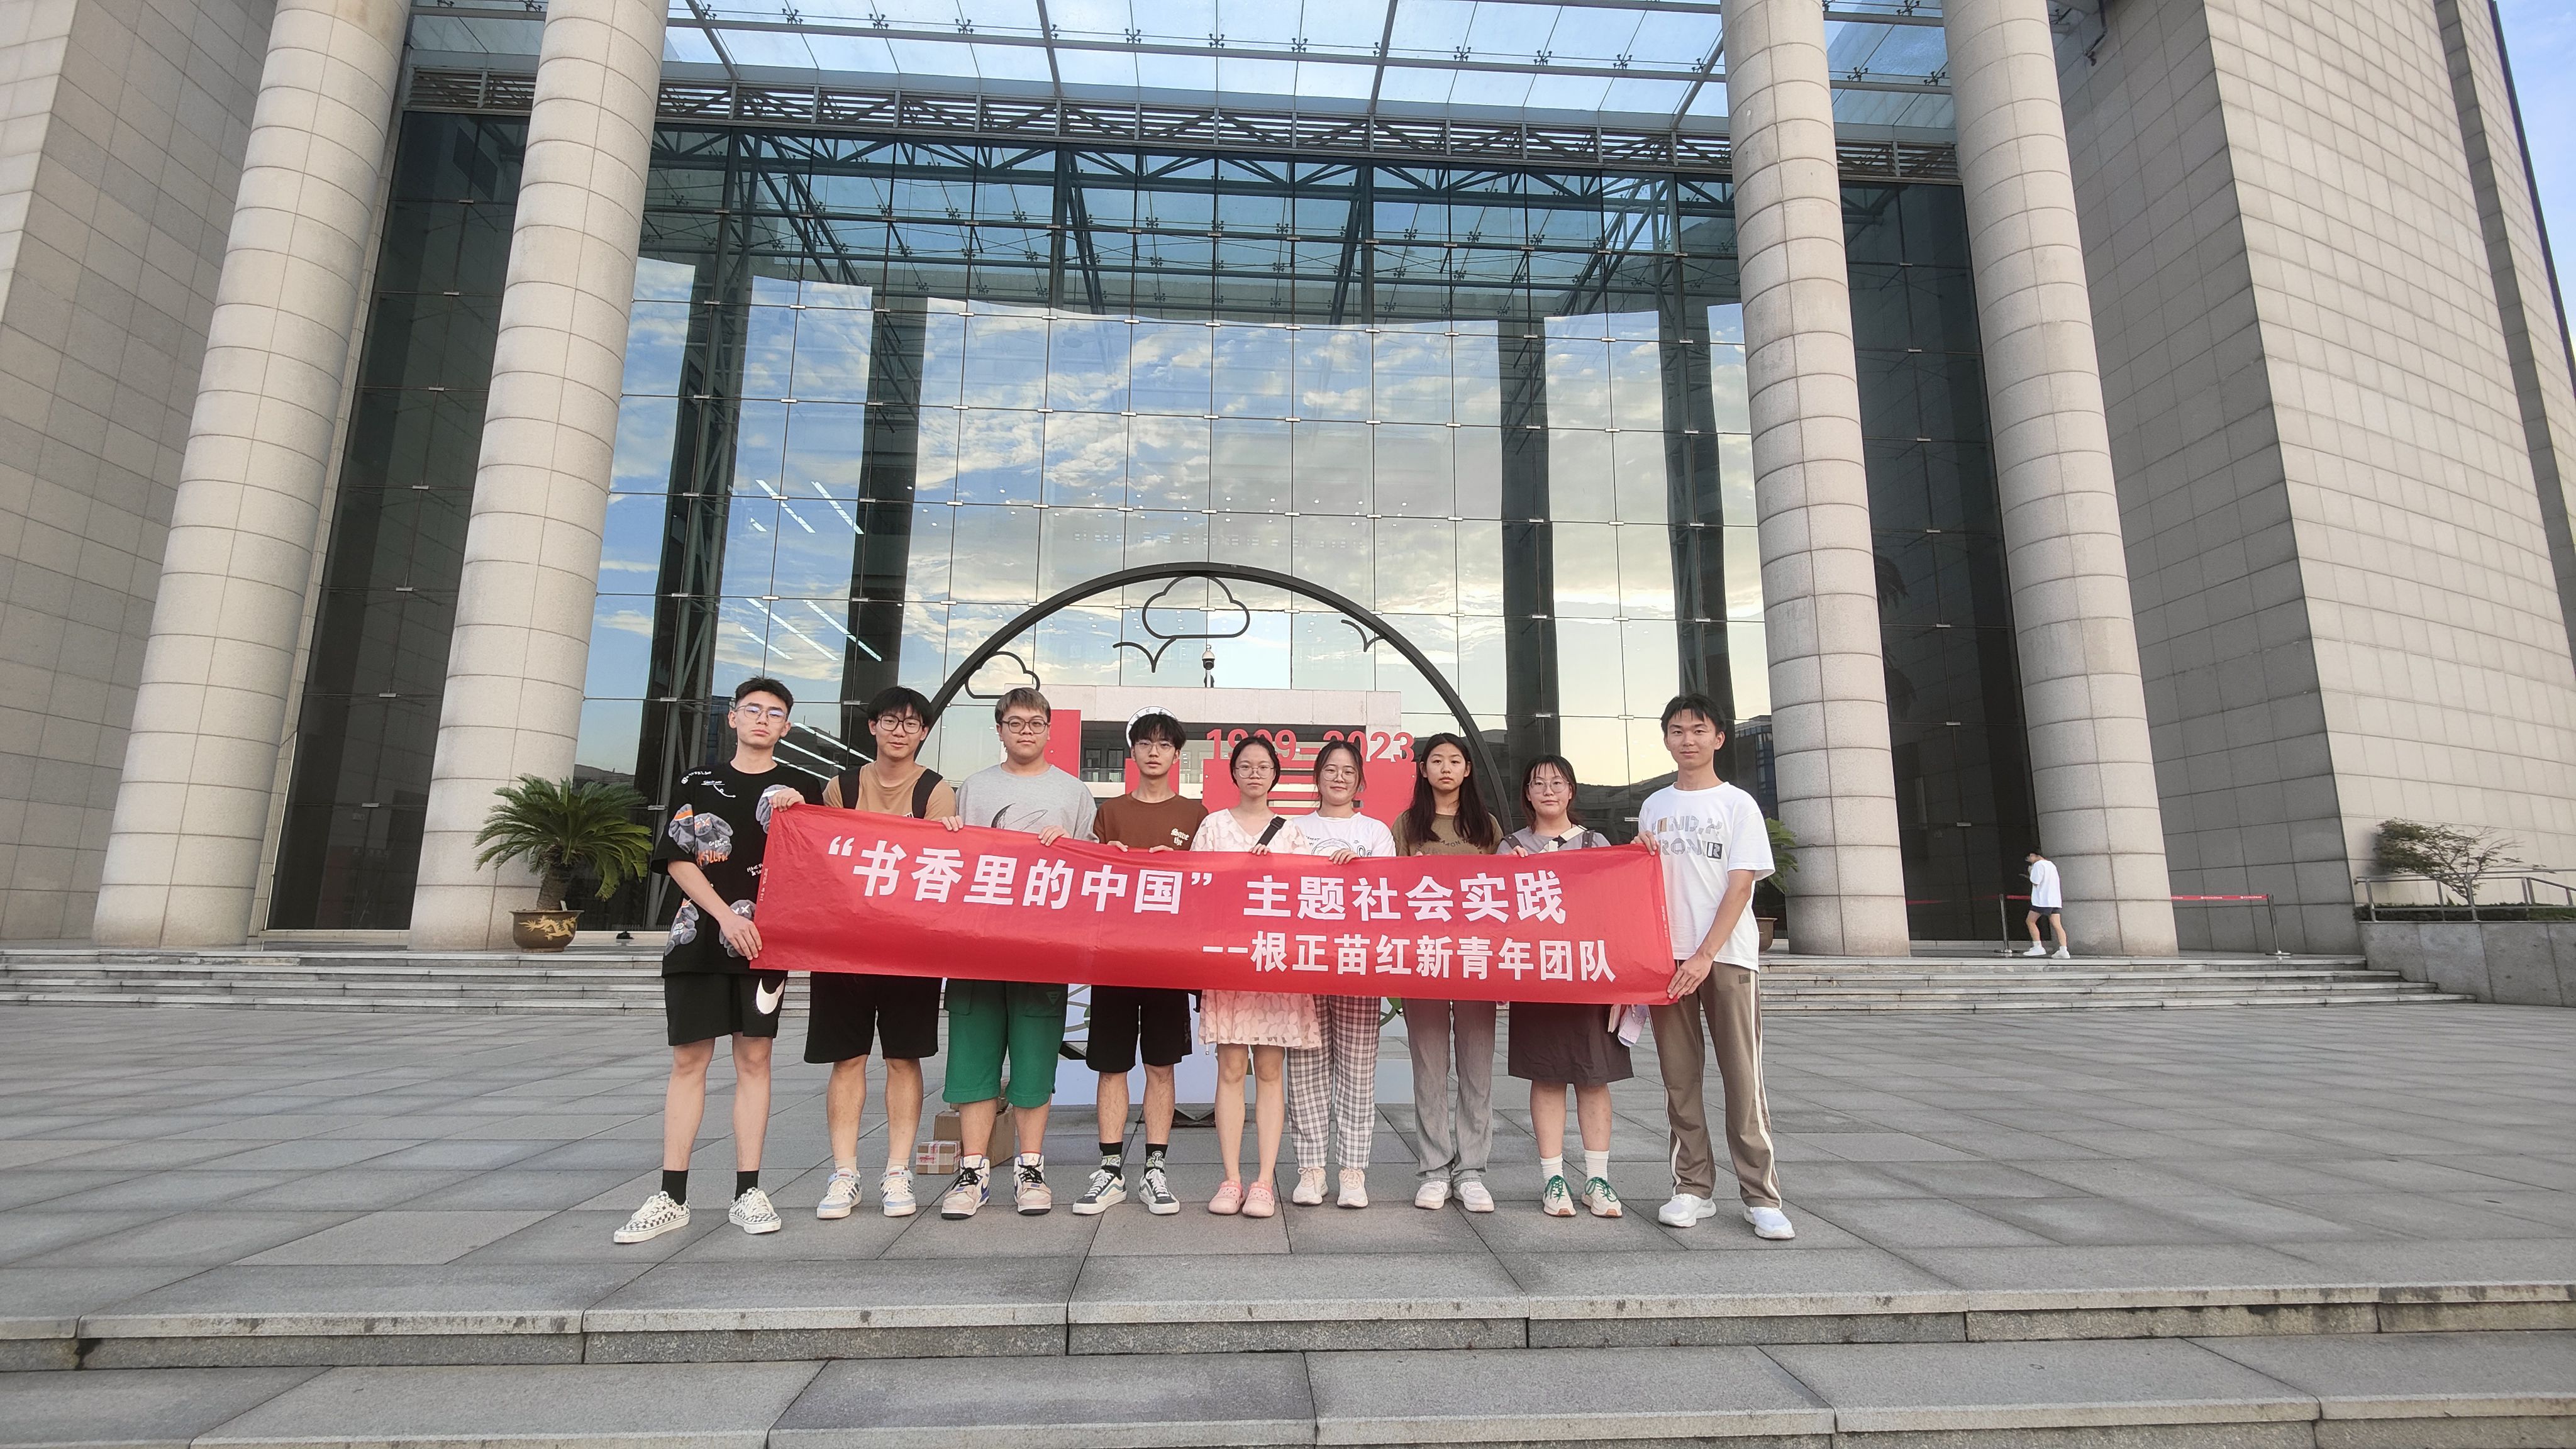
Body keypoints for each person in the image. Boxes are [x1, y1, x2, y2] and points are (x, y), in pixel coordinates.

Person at [614, 677, 819, 1244]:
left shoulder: (802, 787)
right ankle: (671, 1195)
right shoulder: (698, 782)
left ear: (786, 727)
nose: (762, 720)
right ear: (732, 717)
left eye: (774, 713)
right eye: (752, 710)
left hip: (765, 946)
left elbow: (824, 859)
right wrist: (726, 916)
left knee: (755, 1059)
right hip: (698, 938)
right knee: (689, 1060)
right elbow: (678, 858)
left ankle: (748, 1191)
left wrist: (805, 812)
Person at [1637, 693, 1793, 1241]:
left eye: (1699, 730)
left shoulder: (1738, 804)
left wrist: (1705, 954)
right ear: (1666, 739)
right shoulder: (1654, 806)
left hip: (1726, 957)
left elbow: (1741, 886)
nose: (1688, 740)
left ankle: (1761, 1196)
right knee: (1679, 1080)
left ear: (1719, 738)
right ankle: (1692, 1188)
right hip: (1667, 959)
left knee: (1743, 1078)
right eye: (1677, 730)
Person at [937, 687, 1097, 1219]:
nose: (1026, 731)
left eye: (1035, 723)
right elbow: (953, 863)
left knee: (1034, 1062)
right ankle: (972, 1171)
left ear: (1050, 730)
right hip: (977, 948)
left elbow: (1089, 868)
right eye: (1015, 722)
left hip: (1041, 950)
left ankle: (1031, 1169)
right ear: (999, 729)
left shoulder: (1073, 792)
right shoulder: (974, 788)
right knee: (973, 1060)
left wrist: (1069, 848)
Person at [806, 686, 956, 1221]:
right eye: (890, 720)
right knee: (847, 1058)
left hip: (908, 949)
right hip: (843, 948)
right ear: (872, 726)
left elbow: (940, 866)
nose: (900, 731)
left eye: (912, 723)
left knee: (902, 1058)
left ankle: (897, 1171)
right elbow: (822, 858)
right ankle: (844, 1173)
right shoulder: (842, 787)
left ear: (924, 733)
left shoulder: (936, 791)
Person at [1074, 709, 1204, 1218]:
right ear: (1133, 752)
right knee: (1112, 1064)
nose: (1154, 752)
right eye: (1145, 743)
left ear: (1177, 755)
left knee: (1160, 1064)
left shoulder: (1197, 816)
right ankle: (1109, 1170)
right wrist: (1107, 857)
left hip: (1167, 960)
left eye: (1164, 745)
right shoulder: (1109, 812)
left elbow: (1209, 888)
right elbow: (1085, 882)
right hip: (1113, 957)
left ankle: (1155, 1170)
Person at [1190, 734, 1320, 1219]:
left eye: (1263, 766)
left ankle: (1264, 1181)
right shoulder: (1212, 826)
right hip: (1228, 963)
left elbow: (1310, 894)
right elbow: (1196, 889)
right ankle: (1230, 1178)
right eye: (1245, 766)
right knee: (1229, 1069)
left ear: (1275, 774)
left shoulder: (1291, 833)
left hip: (1274, 963)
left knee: (1269, 1070)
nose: (1254, 774)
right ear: (1233, 773)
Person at [1499, 755, 1629, 1219]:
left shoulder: (1596, 843)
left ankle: (1598, 1179)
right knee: (1547, 1075)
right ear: (1527, 794)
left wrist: (1624, 982)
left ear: (1571, 791)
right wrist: (1511, 875)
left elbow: (1616, 909)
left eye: (1557, 782)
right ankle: (1553, 1178)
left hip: (1591, 977)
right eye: (1538, 783)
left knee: (1594, 1078)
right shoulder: (1510, 847)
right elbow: (1498, 917)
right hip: (1538, 980)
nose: (1548, 791)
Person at [1394, 733, 1504, 1213]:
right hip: (1425, 960)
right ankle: (1436, 1168)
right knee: (1429, 1067)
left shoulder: (1486, 826)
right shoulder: (1407, 825)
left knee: (1477, 1068)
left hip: (1476, 960)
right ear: (1422, 770)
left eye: (1454, 761)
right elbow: (1388, 893)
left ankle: (1472, 1170)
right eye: (1435, 760)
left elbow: (1504, 894)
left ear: (1467, 770)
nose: (1445, 768)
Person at [1285, 736, 1390, 1209]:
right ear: (1317, 777)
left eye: (1349, 771)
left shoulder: (1376, 832)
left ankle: (1352, 1171)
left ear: (1360, 780)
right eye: (1331, 769)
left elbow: (1390, 893)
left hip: (1358, 965)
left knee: (1357, 1070)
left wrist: (1361, 869)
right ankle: (1311, 1170)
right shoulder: (1292, 828)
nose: (1339, 778)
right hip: (1305, 964)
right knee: (1305, 1069)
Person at [2023, 849, 2069, 959]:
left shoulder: (2038, 865)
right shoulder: (2051, 865)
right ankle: (2064, 950)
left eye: (2029, 858)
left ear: (2033, 855)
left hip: (2042, 900)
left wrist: (2030, 872)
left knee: (2030, 921)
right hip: (2054, 900)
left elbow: (2036, 881)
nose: (2029, 861)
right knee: (2057, 925)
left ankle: (2038, 947)